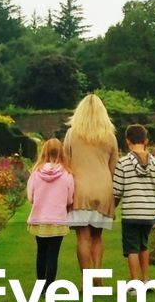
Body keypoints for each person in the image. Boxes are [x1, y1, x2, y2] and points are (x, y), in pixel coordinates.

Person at [62, 93, 118, 276]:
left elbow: (66, 163)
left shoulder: (72, 134)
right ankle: (98, 278)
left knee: (83, 238)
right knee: (97, 237)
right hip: (103, 189)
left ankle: (86, 282)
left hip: (80, 190)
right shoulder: (110, 137)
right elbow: (114, 168)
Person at [111, 123, 155, 282]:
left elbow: (117, 192)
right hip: (149, 213)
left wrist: (112, 209)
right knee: (144, 246)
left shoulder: (123, 163)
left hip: (131, 214)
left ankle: (135, 282)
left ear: (128, 141)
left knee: (132, 249)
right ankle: (146, 279)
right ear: (146, 141)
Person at [25, 137, 74, 284]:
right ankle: (49, 286)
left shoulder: (36, 173)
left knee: (41, 252)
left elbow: (30, 197)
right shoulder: (67, 175)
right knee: (53, 255)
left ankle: (40, 285)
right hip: (58, 220)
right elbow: (70, 199)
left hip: (40, 219)